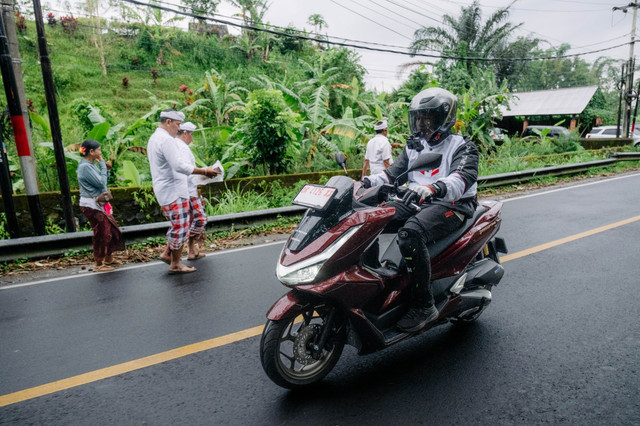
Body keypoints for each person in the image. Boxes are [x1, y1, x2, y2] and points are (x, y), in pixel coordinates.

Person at [362, 88, 479, 332]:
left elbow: (462, 178)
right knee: (368, 220)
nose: (422, 123)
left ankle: (424, 305)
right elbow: (391, 174)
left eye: (428, 118)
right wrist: (364, 183)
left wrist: (435, 188)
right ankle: (371, 285)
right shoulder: (414, 146)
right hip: (416, 199)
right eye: (419, 117)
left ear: (444, 118)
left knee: (410, 234)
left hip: (452, 204)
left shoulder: (463, 146)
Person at [147, 109, 219, 274]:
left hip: (166, 188)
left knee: (179, 225)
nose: (178, 129)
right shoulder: (166, 140)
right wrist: (204, 171)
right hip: (173, 190)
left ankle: (171, 256)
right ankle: (175, 262)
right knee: (180, 227)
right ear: (168, 122)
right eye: (177, 125)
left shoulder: (155, 138)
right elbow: (179, 166)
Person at [77, 139, 125, 272]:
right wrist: (103, 165)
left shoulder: (90, 165)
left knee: (111, 230)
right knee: (102, 232)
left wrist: (107, 170)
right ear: (91, 152)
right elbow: (101, 184)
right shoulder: (85, 167)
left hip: (98, 203)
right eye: (98, 149)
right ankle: (98, 264)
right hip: (91, 205)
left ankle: (108, 258)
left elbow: (102, 180)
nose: (100, 152)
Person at [176, 121, 208, 260]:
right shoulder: (182, 148)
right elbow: (186, 170)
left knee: (192, 219)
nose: (192, 138)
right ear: (185, 133)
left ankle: (191, 250)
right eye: (191, 134)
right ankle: (188, 240)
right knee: (200, 219)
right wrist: (204, 173)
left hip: (188, 189)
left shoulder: (177, 146)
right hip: (189, 191)